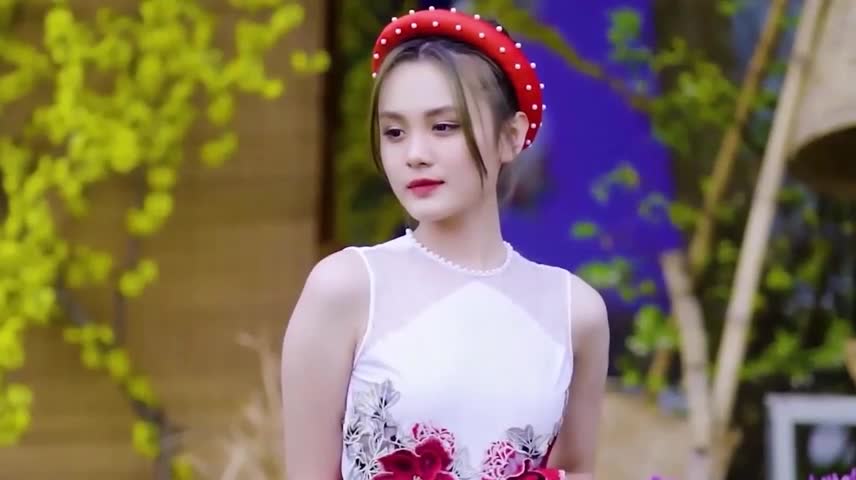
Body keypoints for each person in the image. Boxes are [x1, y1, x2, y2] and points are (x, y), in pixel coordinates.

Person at [281, 7, 609, 480]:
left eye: (443, 127)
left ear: (511, 136)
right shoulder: (347, 288)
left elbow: (576, 469)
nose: (415, 154)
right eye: (394, 132)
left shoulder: (575, 311)